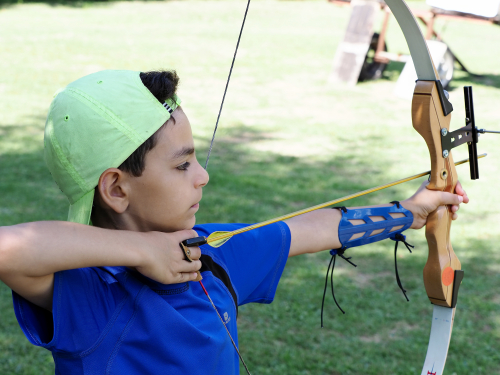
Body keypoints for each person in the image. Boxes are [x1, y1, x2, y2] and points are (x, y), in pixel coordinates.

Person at [0, 69, 468, 374]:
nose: (202, 176)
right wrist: (142, 252)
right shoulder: (92, 293)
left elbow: (317, 228)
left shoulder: (211, 253)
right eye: (183, 165)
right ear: (117, 189)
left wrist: (408, 213)